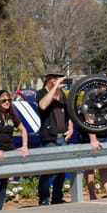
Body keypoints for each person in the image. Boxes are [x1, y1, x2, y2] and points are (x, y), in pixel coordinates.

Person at [0, 90, 29, 211]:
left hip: (8, 152)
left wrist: (24, 146)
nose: (7, 102)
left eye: (9, 100)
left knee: (4, 183)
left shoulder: (11, 114)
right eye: (3, 100)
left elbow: (23, 130)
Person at [36, 66, 74, 205]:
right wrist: (55, 87)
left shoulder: (62, 94)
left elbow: (69, 113)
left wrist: (70, 128)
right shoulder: (41, 93)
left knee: (62, 170)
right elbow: (43, 106)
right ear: (48, 78)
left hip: (62, 137)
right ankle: (44, 198)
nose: (58, 80)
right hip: (49, 137)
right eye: (55, 77)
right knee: (47, 170)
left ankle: (57, 197)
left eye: (60, 77)